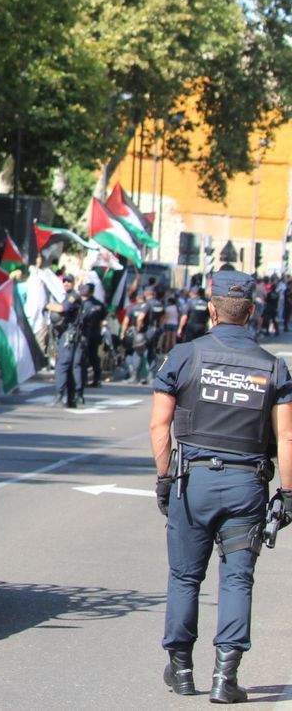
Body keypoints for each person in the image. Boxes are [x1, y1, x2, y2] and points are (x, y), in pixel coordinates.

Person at [150, 269, 292, 702]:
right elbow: (286, 436)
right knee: (237, 580)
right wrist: (287, 493)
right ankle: (224, 677)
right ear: (251, 311)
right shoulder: (273, 367)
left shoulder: (184, 356)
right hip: (246, 486)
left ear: (211, 309)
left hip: (192, 483)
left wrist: (163, 478)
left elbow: (160, 426)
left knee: (185, 577)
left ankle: (182, 669)